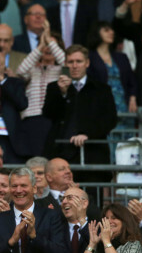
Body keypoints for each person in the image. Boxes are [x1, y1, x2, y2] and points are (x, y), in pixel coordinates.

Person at [43, 44, 117, 184]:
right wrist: (63, 93)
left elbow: (110, 120)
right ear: (65, 64)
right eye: (70, 62)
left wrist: (88, 134)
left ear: (87, 63)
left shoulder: (101, 89)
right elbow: (48, 114)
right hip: (62, 154)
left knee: (92, 201)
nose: (74, 66)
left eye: (79, 61)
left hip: (93, 154)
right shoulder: (55, 87)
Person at [87, 21, 137, 158]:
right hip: (103, 108)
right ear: (97, 33)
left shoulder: (121, 57)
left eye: (112, 30)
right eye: (106, 30)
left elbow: (132, 81)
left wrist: (133, 97)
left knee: (126, 151)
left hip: (123, 106)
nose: (111, 32)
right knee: (108, 149)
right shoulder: (89, 57)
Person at [15, 23, 65, 159]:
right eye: (46, 45)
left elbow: (66, 63)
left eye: (52, 46)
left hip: (52, 119)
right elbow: (20, 71)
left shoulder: (61, 70)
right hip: (31, 118)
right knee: (34, 157)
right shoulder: (32, 69)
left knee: (49, 157)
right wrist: (40, 46)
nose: (48, 48)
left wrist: (50, 41)